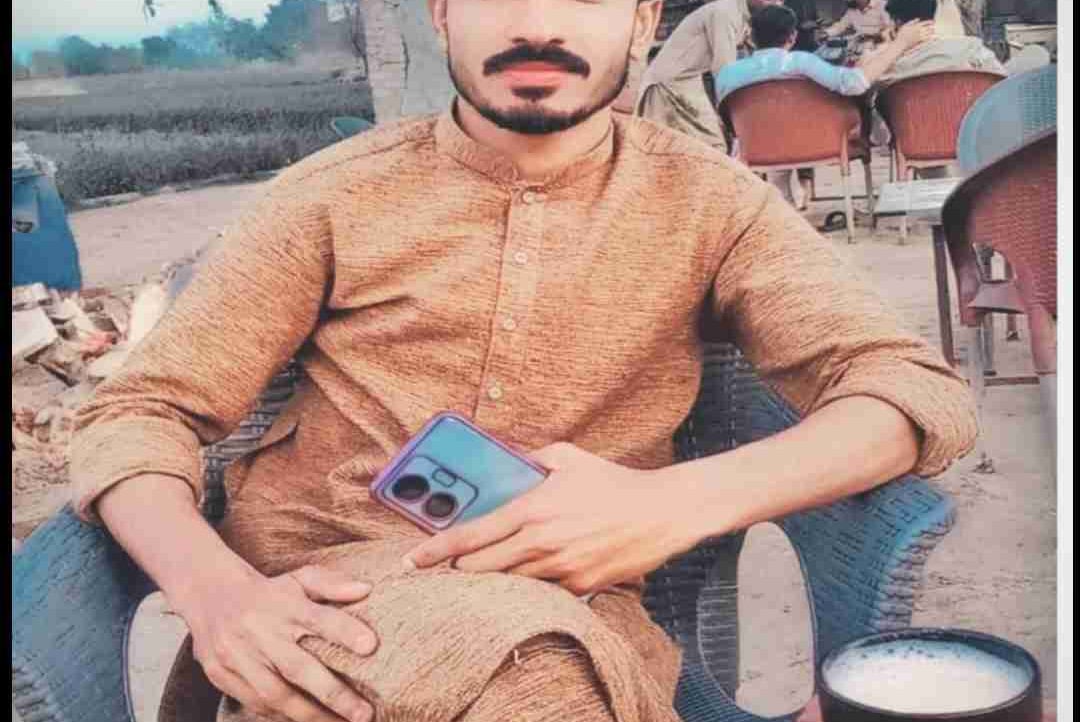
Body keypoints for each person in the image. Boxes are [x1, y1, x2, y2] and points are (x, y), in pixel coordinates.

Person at [69, 0, 979, 720]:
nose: (537, 23)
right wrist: (213, 590)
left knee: (546, 669)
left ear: (642, 20)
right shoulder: (331, 199)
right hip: (320, 607)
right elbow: (138, 412)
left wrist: (676, 502)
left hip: (571, 613)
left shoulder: (711, 206)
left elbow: (909, 392)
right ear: (441, 15)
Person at [714, 4, 935, 206]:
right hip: (814, 145)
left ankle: (783, 201)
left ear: (750, 37)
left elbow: (728, 121)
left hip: (754, 150)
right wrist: (900, 44)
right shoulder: (800, 62)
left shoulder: (727, 75)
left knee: (770, 124)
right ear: (792, 37)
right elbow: (855, 84)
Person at [634, 0, 783, 152]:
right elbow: (724, 72)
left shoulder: (744, 18)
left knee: (702, 149)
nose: (777, 4)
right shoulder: (725, 13)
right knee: (708, 147)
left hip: (688, 82)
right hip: (668, 85)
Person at [879, 0, 1006, 84]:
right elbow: (1001, 82)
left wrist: (892, 47)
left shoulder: (890, 67)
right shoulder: (972, 49)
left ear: (897, 23)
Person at [825, 0, 894, 41]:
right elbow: (840, 26)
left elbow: (890, 25)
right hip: (861, 43)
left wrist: (881, 35)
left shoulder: (881, 3)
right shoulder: (851, 12)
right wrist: (826, 33)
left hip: (882, 41)